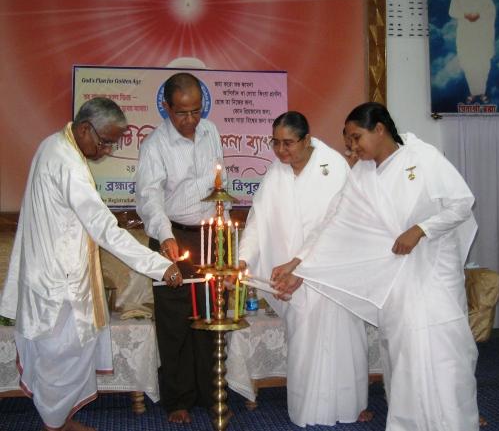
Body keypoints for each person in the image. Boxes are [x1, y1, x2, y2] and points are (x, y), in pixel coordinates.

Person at [273, 102, 480, 430]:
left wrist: (421, 229)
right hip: (393, 281)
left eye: (356, 137)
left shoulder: (423, 158)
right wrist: (299, 265)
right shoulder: (362, 174)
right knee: (404, 355)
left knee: (442, 355)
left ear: (380, 129)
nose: (351, 147)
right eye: (348, 140)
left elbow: (461, 204)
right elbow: (334, 224)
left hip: (432, 273)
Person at [0, 97, 181, 431]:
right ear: (85, 129)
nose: (107, 151)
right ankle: (54, 425)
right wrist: (160, 266)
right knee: (60, 357)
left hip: (53, 271)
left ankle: (61, 420)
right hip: (59, 283)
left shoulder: (52, 144)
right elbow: (105, 230)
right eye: (105, 142)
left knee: (68, 353)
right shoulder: (68, 163)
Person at [238, 111, 371, 427]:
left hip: (329, 272)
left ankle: (349, 406)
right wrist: (243, 259)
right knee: (304, 344)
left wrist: (303, 266)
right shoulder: (276, 172)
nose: (281, 150)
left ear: (307, 140)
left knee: (343, 343)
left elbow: (335, 224)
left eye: (288, 143)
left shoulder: (333, 166)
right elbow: (258, 221)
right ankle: (308, 411)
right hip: (289, 276)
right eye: (275, 143)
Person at [135, 72, 225, 424]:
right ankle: (178, 400)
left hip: (209, 236)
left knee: (210, 315)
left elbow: (220, 182)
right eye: (182, 112)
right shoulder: (154, 145)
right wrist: (166, 236)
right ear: (166, 108)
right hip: (172, 236)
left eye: (196, 111)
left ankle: (210, 393)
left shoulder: (211, 131)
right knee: (175, 323)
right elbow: (149, 198)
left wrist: (220, 229)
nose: (191, 120)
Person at [449, 0, 496, 104]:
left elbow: (491, 10)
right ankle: (473, 92)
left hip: (481, 35)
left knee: (483, 64)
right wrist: (465, 15)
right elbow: (452, 11)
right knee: (468, 63)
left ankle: (482, 92)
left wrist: (479, 15)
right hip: (466, 35)